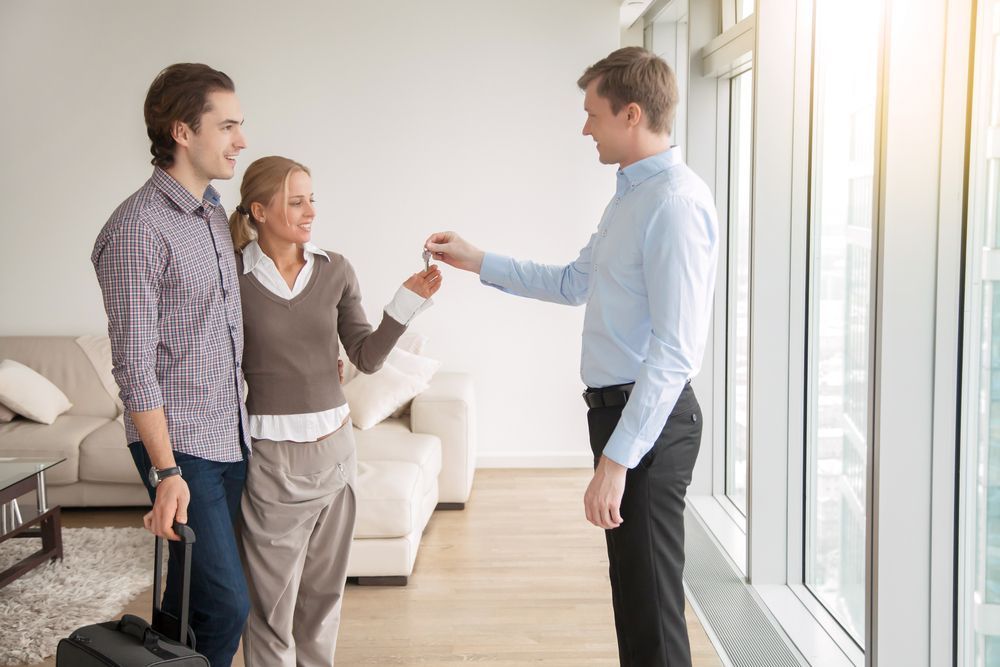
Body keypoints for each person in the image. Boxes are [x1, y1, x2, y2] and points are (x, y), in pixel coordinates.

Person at [425, 46, 718, 667]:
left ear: (631, 113)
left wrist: (618, 459)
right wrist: (476, 259)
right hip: (620, 417)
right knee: (635, 597)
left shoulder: (673, 204)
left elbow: (674, 351)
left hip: (648, 424)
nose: (585, 128)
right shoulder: (632, 197)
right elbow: (571, 282)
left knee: (653, 607)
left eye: (593, 114)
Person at [229, 155, 442, 667]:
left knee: (323, 600)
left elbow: (365, 356)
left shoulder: (335, 269)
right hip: (271, 460)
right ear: (258, 210)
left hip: (336, 453)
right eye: (295, 201)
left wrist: (403, 304)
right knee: (270, 607)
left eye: (311, 199)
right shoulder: (231, 278)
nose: (309, 212)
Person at [91, 63, 251, 667]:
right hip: (180, 445)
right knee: (227, 603)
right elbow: (133, 362)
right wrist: (165, 473)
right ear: (183, 131)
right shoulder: (137, 228)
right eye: (228, 125)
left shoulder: (211, 212)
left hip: (228, 433)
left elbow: (219, 329)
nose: (241, 139)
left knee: (189, 600)